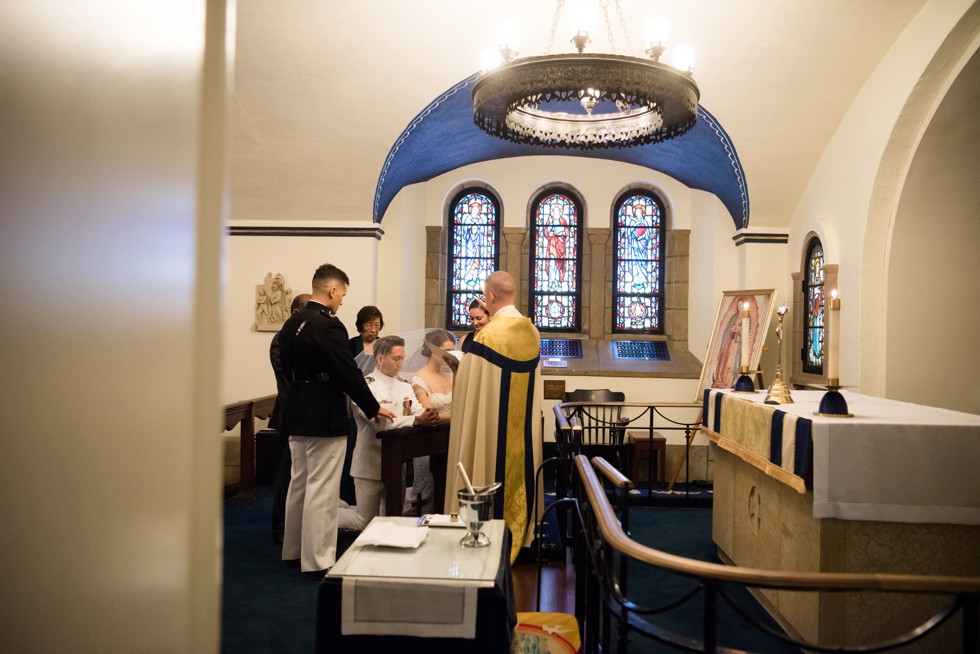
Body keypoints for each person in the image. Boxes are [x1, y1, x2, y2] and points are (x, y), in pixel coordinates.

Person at [278, 264, 396, 578]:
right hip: (323, 412)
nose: (342, 300)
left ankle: (292, 551)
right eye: (342, 293)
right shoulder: (328, 325)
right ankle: (317, 559)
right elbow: (347, 372)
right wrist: (373, 407)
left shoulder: (293, 323)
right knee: (322, 488)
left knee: (299, 482)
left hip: (296, 409)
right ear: (332, 290)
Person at [444, 271, 543, 563]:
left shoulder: (486, 336)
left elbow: (469, 391)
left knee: (488, 458)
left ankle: (480, 530)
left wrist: (457, 371)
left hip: (490, 435)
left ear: (490, 297)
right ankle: (523, 533)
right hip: (523, 437)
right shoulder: (533, 332)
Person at [338, 335, 439, 530]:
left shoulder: (404, 386)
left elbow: (417, 410)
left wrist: (427, 414)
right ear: (380, 358)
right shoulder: (366, 387)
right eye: (396, 358)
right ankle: (327, 515)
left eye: (403, 358)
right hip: (369, 465)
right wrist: (417, 420)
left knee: (392, 519)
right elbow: (380, 424)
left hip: (395, 464)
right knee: (365, 521)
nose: (401, 363)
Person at [269, 292, 311, 545]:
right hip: (290, 411)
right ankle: (281, 528)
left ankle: (299, 524)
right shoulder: (281, 340)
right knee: (287, 473)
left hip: (306, 412)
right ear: (296, 313)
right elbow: (285, 380)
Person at [410, 329, 456, 513]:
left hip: (451, 439)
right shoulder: (419, 378)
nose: (450, 355)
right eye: (447, 350)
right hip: (428, 441)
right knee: (427, 494)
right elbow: (427, 412)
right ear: (433, 350)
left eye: (452, 350)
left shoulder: (450, 375)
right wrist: (458, 417)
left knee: (447, 489)